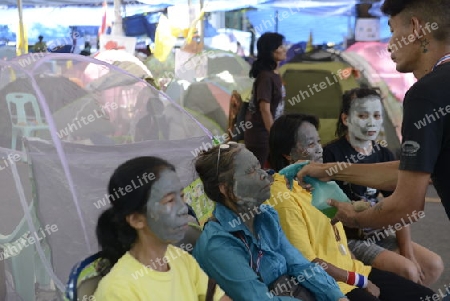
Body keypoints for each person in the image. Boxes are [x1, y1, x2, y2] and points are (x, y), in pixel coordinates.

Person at [295, 0, 450, 230]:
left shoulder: (425, 94)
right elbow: (413, 172)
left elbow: (407, 205)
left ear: (416, 29)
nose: (389, 46)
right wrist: (329, 170)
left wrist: (352, 217)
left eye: (392, 30)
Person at [267, 113, 437, 301]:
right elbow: (307, 263)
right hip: (334, 284)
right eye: (310, 144)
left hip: (353, 270)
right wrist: (360, 281)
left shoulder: (319, 183)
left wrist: (358, 271)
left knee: (427, 296)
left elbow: (339, 241)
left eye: (319, 141)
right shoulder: (283, 197)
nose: (319, 150)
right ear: (287, 154)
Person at [193, 142, 348, 301]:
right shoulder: (218, 244)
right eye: (250, 171)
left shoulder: (267, 215)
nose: (263, 175)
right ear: (226, 189)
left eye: (259, 167)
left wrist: (336, 296)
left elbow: (300, 265)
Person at [322, 88, 443, 286]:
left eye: (377, 115)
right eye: (362, 115)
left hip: (376, 233)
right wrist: (345, 252)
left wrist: (408, 252)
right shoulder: (330, 155)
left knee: (433, 265)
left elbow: (400, 208)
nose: (371, 122)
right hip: (347, 239)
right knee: (407, 271)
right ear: (346, 119)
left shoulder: (385, 154)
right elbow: (323, 212)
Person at [93, 156, 229, 301]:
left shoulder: (179, 257)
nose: (183, 209)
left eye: (181, 196)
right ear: (137, 219)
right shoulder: (118, 291)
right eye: (169, 200)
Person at [244, 32, 287, 167]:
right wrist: (274, 135)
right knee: (259, 172)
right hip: (261, 136)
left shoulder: (274, 74)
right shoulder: (266, 77)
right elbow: (265, 110)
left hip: (267, 133)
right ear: (271, 51)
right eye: (280, 46)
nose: (284, 49)